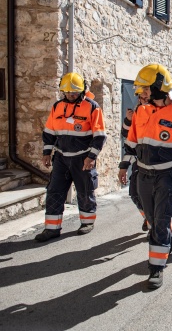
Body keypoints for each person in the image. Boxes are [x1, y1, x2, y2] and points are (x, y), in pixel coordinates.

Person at [119, 63, 172, 289]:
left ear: (158, 87)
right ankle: (169, 236)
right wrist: (124, 166)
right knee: (153, 220)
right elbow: (131, 143)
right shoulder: (140, 113)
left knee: (161, 221)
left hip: (167, 176)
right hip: (142, 174)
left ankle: (156, 269)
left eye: (145, 89)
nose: (142, 94)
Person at [35, 72, 106, 242]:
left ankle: (87, 222)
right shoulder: (57, 107)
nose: (70, 95)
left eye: (74, 93)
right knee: (54, 191)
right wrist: (46, 153)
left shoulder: (92, 107)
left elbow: (100, 135)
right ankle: (52, 228)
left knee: (85, 190)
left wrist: (91, 157)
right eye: (67, 92)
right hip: (60, 158)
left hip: (82, 158)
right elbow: (49, 133)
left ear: (81, 91)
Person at [120, 86, 154, 234]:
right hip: (137, 162)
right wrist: (128, 119)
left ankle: (155, 227)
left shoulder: (159, 112)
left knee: (154, 197)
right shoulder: (136, 113)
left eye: (147, 96)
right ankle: (148, 218)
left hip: (155, 163)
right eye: (141, 97)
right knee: (134, 194)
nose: (144, 99)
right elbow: (127, 137)